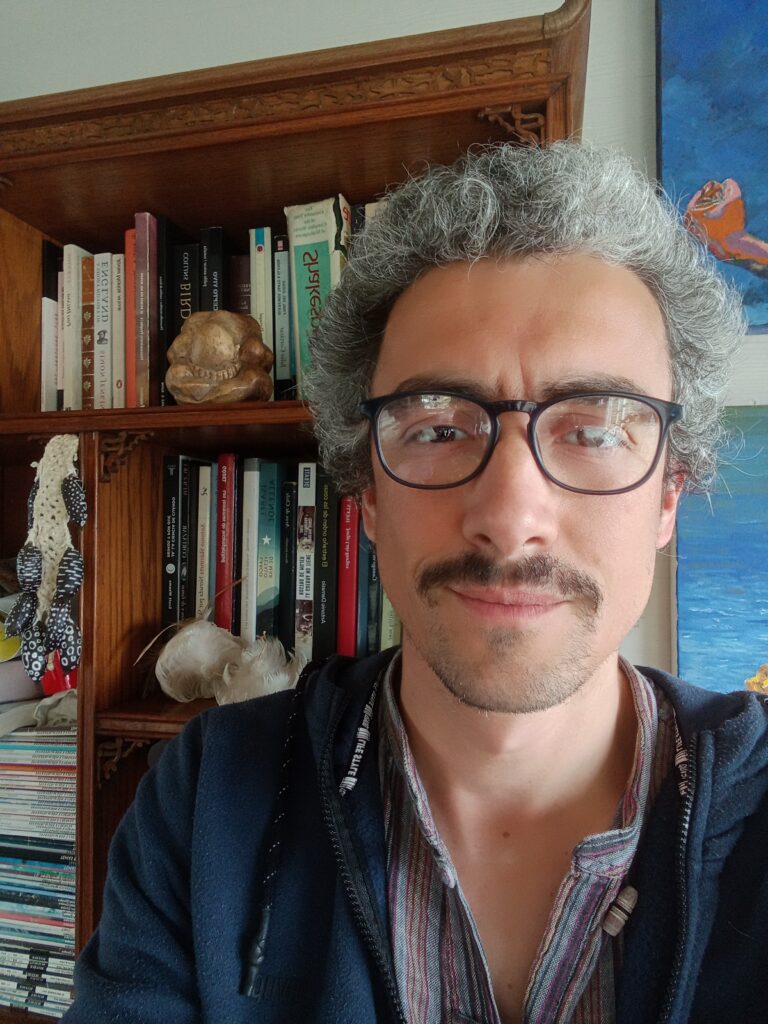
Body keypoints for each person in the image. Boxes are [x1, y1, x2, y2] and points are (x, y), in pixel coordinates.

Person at [63, 142, 768, 1024]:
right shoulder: (208, 797)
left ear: (668, 496)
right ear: (364, 492)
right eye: (436, 428)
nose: (509, 517)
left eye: (594, 431)